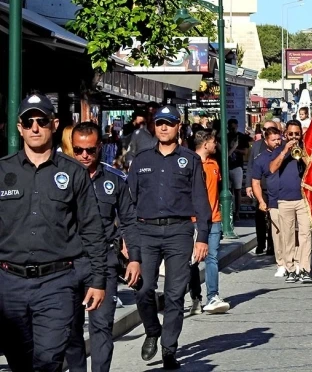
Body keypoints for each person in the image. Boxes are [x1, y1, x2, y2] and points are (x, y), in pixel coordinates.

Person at [0, 94, 107, 371]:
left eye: (42, 121)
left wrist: (98, 280)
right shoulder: (2, 170)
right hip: (9, 284)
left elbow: (92, 229)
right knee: (20, 362)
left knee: (49, 360)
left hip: (57, 283)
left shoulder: (74, 173)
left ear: (55, 124)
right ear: (19, 127)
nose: (35, 127)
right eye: (28, 121)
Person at [129, 105, 211, 370]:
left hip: (179, 232)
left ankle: (168, 348)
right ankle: (153, 330)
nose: (164, 127)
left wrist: (203, 238)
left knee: (175, 294)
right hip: (146, 232)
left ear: (179, 127)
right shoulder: (141, 160)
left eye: (170, 123)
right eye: (160, 123)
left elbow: (200, 199)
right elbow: (129, 202)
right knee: (143, 290)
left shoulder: (190, 159)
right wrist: (127, 238)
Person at [65, 122, 141, 372]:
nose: (84, 155)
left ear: (100, 147)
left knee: (101, 327)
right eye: (78, 150)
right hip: (70, 264)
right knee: (71, 330)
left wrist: (134, 258)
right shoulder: (60, 179)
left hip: (105, 262)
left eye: (90, 150)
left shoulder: (114, 179)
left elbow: (129, 220)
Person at [187, 130, 230, 315]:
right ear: (205, 144)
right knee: (193, 261)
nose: (215, 145)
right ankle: (196, 297)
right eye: (213, 142)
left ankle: (213, 295)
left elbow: (216, 188)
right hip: (194, 220)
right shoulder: (188, 164)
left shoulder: (214, 163)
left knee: (212, 258)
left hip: (214, 218)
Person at [267, 120, 312, 283]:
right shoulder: (280, 149)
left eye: (297, 134)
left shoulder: (306, 150)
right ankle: (290, 268)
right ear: (286, 134)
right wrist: (285, 151)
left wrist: (303, 156)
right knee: (287, 236)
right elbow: (272, 168)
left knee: (305, 235)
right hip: (284, 200)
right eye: (291, 134)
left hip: (303, 200)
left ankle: (305, 269)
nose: (294, 137)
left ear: (301, 134)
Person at [251, 126, 286, 277]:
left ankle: (295, 260)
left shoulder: (288, 152)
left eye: (279, 139)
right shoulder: (261, 159)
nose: (277, 142)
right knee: (277, 233)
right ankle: (281, 263)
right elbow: (256, 182)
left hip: (290, 197)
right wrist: (260, 200)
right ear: (266, 141)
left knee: (292, 232)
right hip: (272, 198)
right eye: (273, 140)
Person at [246, 121, 278, 257]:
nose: (267, 130)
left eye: (271, 129)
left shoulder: (280, 146)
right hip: (259, 186)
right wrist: (248, 185)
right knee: (259, 216)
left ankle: (272, 245)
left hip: (274, 187)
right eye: (265, 129)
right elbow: (251, 165)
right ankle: (261, 243)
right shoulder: (257, 145)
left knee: (273, 218)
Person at [125, 102, 159, 167]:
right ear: (146, 116)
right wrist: (131, 167)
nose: (152, 117)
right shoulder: (137, 134)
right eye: (150, 114)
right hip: (141, 173)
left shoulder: (163, 134)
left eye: (155, 114)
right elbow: (130, 154)